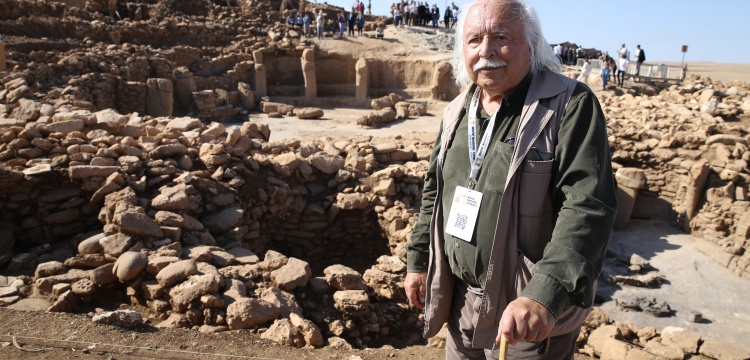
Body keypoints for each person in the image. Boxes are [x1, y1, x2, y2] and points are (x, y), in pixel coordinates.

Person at [404, 0, 617, 358]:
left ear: (532, 44)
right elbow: (434, 192)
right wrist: (418, 261)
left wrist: (543, 295)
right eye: (474, 40)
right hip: (460, 304)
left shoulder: (569, 104)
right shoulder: (457, 111)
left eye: (501, 37)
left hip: (525, 315)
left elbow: (587, 206)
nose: (486, 51)